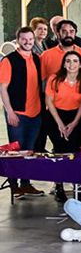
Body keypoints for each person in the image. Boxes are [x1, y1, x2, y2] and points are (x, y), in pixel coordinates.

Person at [1, 27, 43, 195]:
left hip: (36, 113)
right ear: (18, 40)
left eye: (30, 39)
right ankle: (14, 185)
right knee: (15, 151)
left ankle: (26, 184)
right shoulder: (9, 60)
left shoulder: (38, 59)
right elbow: (3, 88)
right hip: (17, 113)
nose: (27, 42)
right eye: (24, 39)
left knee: (29, 150)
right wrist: (10, 111)